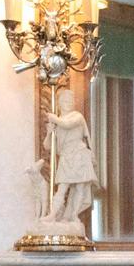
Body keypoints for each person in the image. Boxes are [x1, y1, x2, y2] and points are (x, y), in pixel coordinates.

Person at [45, 89, 98, 222]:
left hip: (79, 154)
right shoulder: (57, 122)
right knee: (62, 187)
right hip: (66, 156)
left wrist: (54, 119)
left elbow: (67, 125)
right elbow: (47, 146)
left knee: (80, 186)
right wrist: (49, 133)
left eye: (69, 101)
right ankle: (53, 215)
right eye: (64, 101)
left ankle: (73, 215)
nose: (67, 103)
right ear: (59, 103)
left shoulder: (77, 116)